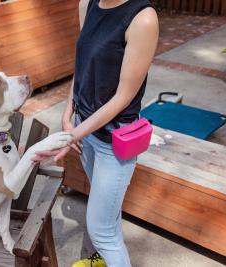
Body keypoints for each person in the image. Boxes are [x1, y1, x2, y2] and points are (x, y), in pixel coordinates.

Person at [34, 0, 159, 266]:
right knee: (108, 219)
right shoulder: (87, 4)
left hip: (114, 141)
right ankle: (100, 262)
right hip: (85, 132)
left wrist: (73, 135)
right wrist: (68, 114)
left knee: (101, 232)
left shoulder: (143, 18)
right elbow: (83, 66)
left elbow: (124, 97)